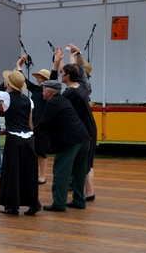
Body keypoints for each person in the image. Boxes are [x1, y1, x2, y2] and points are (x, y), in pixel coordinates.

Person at [0, 70, 41, 215]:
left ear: (9, 83)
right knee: (29, 172)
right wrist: (32, 138)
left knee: (13, 171)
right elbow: (30, 121)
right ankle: (33, 203)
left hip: (14, 139)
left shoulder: (6, 96)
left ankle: (12, 205)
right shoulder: (29, 100)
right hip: (28, 138)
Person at [34, 80, 90, 212]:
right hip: (83, 138)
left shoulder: (52, 103)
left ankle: (59, 203)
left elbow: (44, 123)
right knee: (78, 172)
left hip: (69, 141)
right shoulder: (63, 100)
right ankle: (79, 200)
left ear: (48, 91)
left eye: (43, 90)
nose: (42, 92)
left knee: (61, 172)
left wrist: (31, 135)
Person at [57, 45, 97, 202]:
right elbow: (72, 69)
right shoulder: (81, 85)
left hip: (83, 129)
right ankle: (89, 192)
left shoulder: (71, 92)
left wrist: (62, 59)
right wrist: (67, 57)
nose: (62, 74)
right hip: (89, 126)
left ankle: (89, 193)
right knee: (87, 162)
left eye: (63, 73)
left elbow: (72, 69)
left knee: (84, 163)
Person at [16, 55, 57, 184]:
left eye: (41, 78)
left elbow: (54, 76)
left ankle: (43, 175)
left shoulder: (49, 90)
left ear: (46, 80)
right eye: (38, 78)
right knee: (32, 150)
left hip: (43, 124)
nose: (38, 80)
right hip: (32, 123)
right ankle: (33, 173)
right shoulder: (35, 90)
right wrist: (19, 64)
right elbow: (23, 79)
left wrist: (56, 62)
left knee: (41, 150)